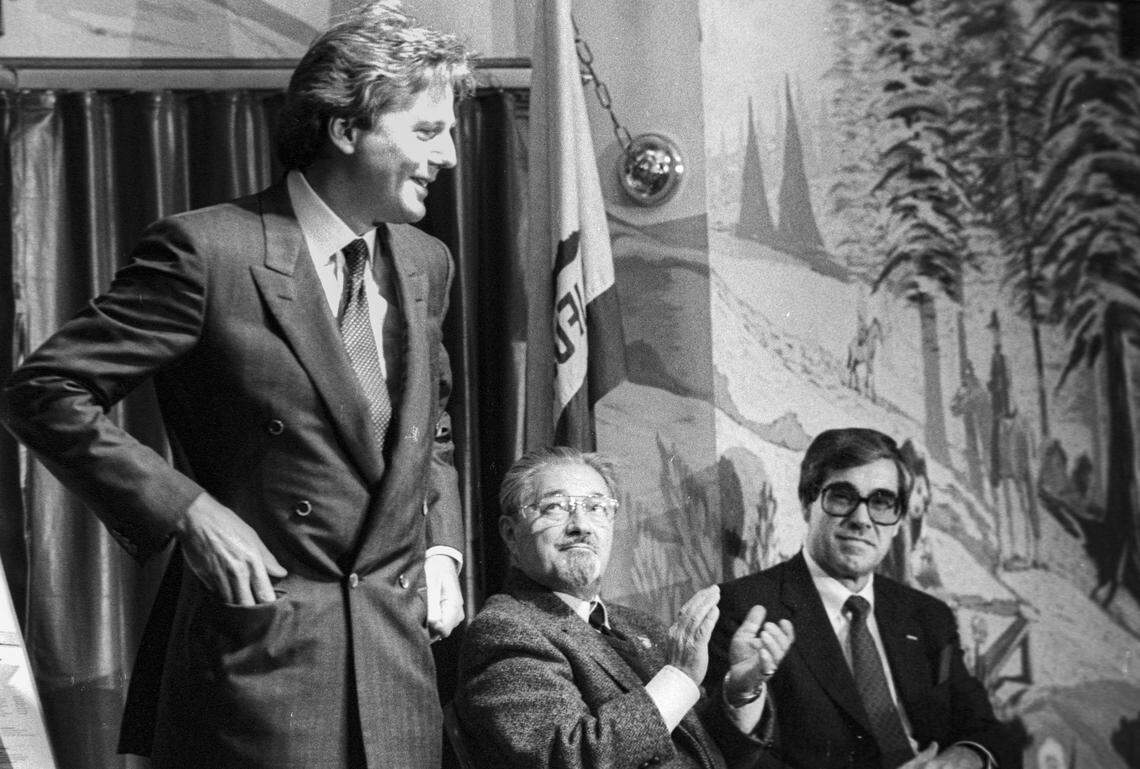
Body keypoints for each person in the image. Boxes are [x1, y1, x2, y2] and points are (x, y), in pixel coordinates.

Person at [0, 3, 471, 767]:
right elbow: (46, 389)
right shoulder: (207, 251)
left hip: (397, 672)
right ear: (345, 129)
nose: (448, 155)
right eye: (426, 131)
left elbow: (432, 427)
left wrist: (443, 551)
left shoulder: (425, 262)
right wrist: (188, 511)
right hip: (261, 671)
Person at [454, 446, 794, 769]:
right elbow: (569, 759)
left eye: (596, 507)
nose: (581, 525)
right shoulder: (506, 628)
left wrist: (739, 693)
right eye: (555, 507)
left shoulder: (643, 627)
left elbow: (704, 754)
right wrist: (679, 678)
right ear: (511, 534)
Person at [707, 427, 1010, 769]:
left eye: (882, 503)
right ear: (808, 503)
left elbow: (986, 729)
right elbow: (727, 756)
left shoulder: (929, 616)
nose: (862, 519)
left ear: (897, 522)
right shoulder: (743, 609)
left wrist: (965, 758)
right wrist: (741, 694)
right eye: (842, 497)